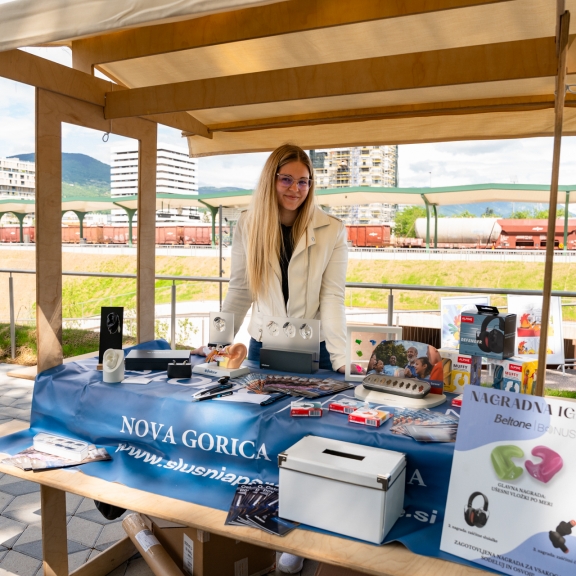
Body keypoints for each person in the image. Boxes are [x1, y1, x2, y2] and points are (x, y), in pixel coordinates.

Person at [193, 144, 348, 574]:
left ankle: (303, 535)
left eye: (304, 181)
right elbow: (240, 289)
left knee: (311, 441)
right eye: (286, 179)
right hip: (264, 346)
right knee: (266, 438)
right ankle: (268, 519)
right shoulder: (248, 224)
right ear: (270, 180)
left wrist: (342, 359)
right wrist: (217, 344)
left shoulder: (332, 229)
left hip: (315, 350)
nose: (295, 188)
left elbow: (333, 298)